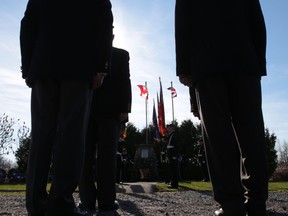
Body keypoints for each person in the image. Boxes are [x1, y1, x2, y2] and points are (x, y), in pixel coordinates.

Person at [20, 0, 113, 215]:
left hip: (44, 64)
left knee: (42, 134)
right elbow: (104, 22)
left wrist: (28, 67)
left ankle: (35, 202)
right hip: (79, 65)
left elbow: (28, 25)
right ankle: (60, 202)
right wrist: (101, 66)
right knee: (71, 135)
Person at [175, 0, 268, 215]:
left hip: (208, 64)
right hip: (244, 62)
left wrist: (184, 67)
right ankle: (257, 202)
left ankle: (231, 204)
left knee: (218, 137)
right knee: (252, 133)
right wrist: (259, 64)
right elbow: (257, 21)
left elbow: (183, 26)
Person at [78, 36, 132, 216]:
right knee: (84, 158)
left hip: (110, 114)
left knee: (107, 158)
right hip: (86, 111)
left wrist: (125, 110)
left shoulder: (120, 55)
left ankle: (106, 201)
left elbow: (125, 82)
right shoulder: (84, 53)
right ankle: (87, 200)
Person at [165, 124, 179, 189]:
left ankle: (174, 184)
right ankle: (172, 183)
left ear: (172, 128)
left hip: (173, 155)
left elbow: (176, 146)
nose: (167, 129)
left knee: (174, 170)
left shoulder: (174, 135)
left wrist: (174, 155)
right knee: (171, 170)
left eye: (168, 128)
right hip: (170, 155)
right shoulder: (171, 135)